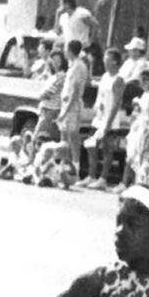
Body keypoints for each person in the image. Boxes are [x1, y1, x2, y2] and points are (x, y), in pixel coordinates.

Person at [81, 47, 130, 189]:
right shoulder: (104, 76)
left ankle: (102, 179)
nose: (104, 62)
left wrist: (108, 122)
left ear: (115, 62)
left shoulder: (119, 80)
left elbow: (116, 103)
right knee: (91, 145)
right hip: (99, 118)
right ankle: (91, 175)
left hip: (110, 120)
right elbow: (100, 96)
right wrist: (97, 111)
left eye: (107, 60)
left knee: (108, 149)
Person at [59, 41, 93, 183]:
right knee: (64, 138)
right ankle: (63, 168)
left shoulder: (79, 66)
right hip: (66, 103)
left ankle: (75, 169)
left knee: (73, 138)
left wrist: (65, 111)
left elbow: (75, 91)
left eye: (66, 50)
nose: (64, 52)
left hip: (72, 105)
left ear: (71, 51)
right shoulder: (72, 65)